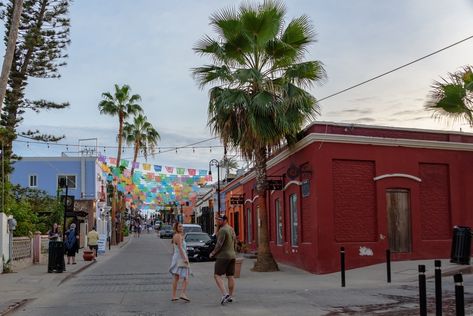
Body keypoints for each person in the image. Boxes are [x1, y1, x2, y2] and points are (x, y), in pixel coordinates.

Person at [209, 215, 237, 305]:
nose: (217, 221)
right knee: (230, 276)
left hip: (223, 256)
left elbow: (219, 244)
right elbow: (235, 241)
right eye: (217, 219)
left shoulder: (223, 230)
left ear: (225, 220)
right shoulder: (231, 228)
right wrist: (234, 251)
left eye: (219, 220)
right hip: (232, 255)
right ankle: (230, 296)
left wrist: (212, 253)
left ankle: (225, 294)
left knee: (217, 275)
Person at [168, 222, 190, 302]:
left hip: (178, 256)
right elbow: (180, 248)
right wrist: (185, 258)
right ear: (176, 228)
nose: (181, 228)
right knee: (186, 276)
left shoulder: (178, 236)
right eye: (179, 226)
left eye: (182, 226)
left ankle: (174, 296)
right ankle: (182, 293)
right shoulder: (178, 236)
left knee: (176, 277)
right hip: (180, 257)